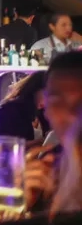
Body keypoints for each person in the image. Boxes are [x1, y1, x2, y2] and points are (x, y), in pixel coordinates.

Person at [25, 51, 82, 213]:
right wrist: (23, 205)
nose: (71, 114)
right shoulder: (48, 169)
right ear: (46, 109)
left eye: (81, 102)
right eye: (58, 102)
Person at [0, 71, 49, 142]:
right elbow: (7, 144)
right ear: (35, 89)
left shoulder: (42, 111)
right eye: (47, 94)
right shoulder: (10, 110)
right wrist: (43, 142)